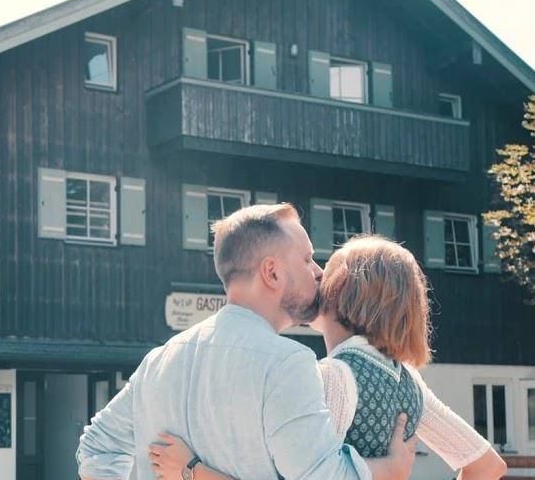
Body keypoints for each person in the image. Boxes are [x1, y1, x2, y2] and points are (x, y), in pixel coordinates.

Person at [77, 204, 416, 480]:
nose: (318, 271)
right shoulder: (287, 364)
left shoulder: (158, 361)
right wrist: (392, 470)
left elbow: (97, 448)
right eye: (306, 259)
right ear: (272, 273)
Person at [149, 235, 507, 480]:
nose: (315, 276)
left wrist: (191, 469)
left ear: (341, 292)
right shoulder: (410, 380)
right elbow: (487, 466)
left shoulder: (331, 376)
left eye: (326, 271)